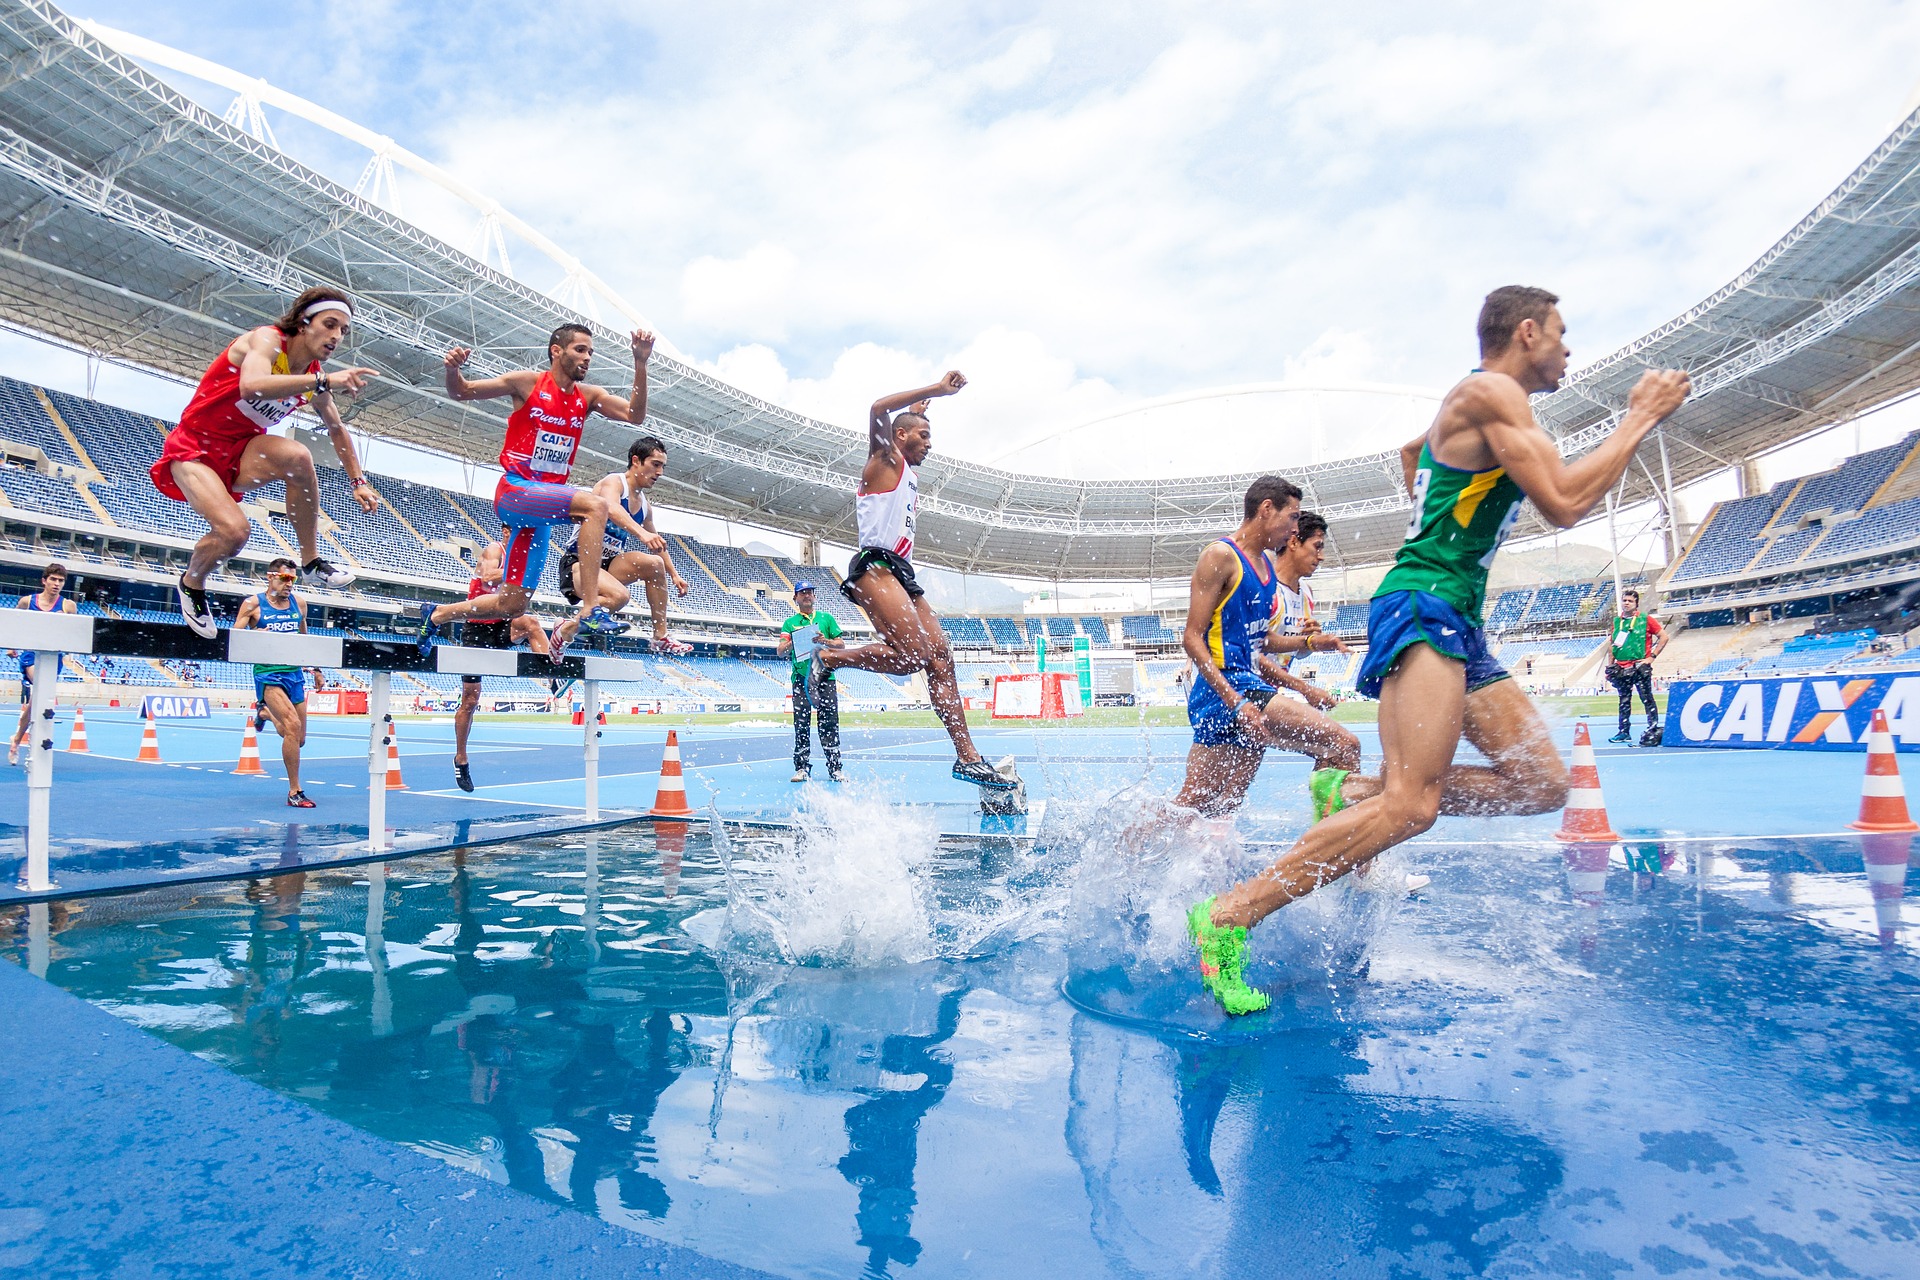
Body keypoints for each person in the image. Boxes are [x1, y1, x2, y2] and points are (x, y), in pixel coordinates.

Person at [1187, 285, 1692, 1015]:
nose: (1568, 349)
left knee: (1541, 784)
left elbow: (1412, 452)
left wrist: (1447, 515)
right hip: (1425, 606)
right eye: (1560, 333)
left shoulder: (1478, 408)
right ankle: (1228, 916)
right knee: (1414, 807)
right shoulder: (1491, 390)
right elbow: (1564, 500)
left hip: (1454, 613)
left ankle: (1352, 791)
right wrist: (1640, 415)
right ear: (1526, 333)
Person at [809, 372, 1015, 790]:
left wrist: (922, 411)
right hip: (875, 567)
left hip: (902, 573)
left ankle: (967, 758)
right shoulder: (883, 460)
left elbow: (903, 417)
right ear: (899, 436)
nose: (930, 443)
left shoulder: (905, 463)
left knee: (941, 658)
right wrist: (935, 390)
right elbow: (878, 409)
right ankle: (829, 659)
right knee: (911, 657)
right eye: (922, 435)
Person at [417, 325, 656, 657]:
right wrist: (452, 370)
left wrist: (640, 362)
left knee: (512, 604)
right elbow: (462, 391)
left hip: (542, 509)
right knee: (596, 506)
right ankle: (589, 610)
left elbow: (635, 415)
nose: (587, 357)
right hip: (516, 491)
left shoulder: (588, 397)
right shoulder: (526, 383)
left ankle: (438, 614)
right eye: (580, 350)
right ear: (556, 351)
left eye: (590, 352)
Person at [153, 286, 379, 638]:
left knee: (299, 457)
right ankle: (192, 583)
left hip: (241, 451)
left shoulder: (313, 376)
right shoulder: (267, 340)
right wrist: (322, 380)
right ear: (303, 323)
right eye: (330, 324)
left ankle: (310, 561)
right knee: (234, 533)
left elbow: (337, 429)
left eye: (343, 331)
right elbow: (252, 386)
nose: (336, 336)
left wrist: (358, 481)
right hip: (195, 448)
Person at [1170, 481, 1363, 820]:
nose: (1292, 529)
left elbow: (1262, 640)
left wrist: (1308, 642)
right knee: (1344, 745)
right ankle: (1335, 855)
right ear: (1266, 509)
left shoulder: (1264, 570)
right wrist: (1238, 701)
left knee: (1207, 806)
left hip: (1245, 690)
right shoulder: (1220, 556)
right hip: (1229, 688)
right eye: (1292, 518)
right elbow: (1191, 638)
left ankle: (1122, 847)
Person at [555, 436, 693, 653]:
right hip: (578, 563)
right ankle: (565, 631)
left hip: (608, 565)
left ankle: (660, 636)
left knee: (655, 563)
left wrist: (674, 575)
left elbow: (657, 544)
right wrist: (640, 533)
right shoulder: (614, 482)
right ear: (636, 461)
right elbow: (610, 506)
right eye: (655, 465)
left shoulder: (646, 507)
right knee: (619, 597)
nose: (660, 473)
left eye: (663, 467)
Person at [453, 542, 550, 792]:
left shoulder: (524, 557)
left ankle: (552, 675)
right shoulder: (495, 551)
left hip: (501, 627)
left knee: (531, 623)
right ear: (508, 531)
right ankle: (461, 758)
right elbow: (487, 579)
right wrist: (519, 571)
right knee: (470, 701)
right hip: (476, 629)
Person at [234, 558, 316, 808]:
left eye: (294, 579)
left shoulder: (299, 604)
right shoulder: (252, 604)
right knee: (291, 726)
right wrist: (252, 635)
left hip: (294, 673)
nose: (290, 584)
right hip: (268, 674)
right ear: (271, 577)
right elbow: (234, 639)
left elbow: (305, 639)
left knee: (298, 738)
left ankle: (266, 714)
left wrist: (316, 669)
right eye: (285, 578)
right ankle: (295, 791)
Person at [8, 562, 76, 766]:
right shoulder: (27, 602)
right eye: (53, 579)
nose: (57, 584)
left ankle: (17, 739)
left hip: (53, 658)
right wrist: (12, 646)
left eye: (61, 581)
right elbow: (13, 622)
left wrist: (64, 624)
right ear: (44, 581)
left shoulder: (68, 606)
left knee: (38, 699)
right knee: (41, 690)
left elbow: (75, 634)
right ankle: (27, 740)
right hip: (31, 655)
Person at [778, 580, 845, 782]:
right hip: (801, 679)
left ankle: (835, 768)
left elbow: (840, 644)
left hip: (825, 677)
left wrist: (825, 641)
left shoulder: (826, 618)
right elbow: (780, 651)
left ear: (814, 596)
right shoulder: (790, 623)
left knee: (830, 722)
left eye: (810, 592)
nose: (807, 595)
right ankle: (802, 768)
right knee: (801, 723)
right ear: (796, 598)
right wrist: (791, 642)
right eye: (802, 593)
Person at [1605, 588, 1666, 744]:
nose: (1626, 603)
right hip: (1621, 667)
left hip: (1639, 666)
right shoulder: (1617, 622)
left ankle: (1653, 729)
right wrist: (1610, 666)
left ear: (1636, 603)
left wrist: (1651, 657)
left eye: (1630, 601)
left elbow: (1664, 637)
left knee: (1647, 699)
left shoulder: (1646, 619)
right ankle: (1623, 732)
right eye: (1624, 600)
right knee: (1624, 700)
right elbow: (1613, 645)